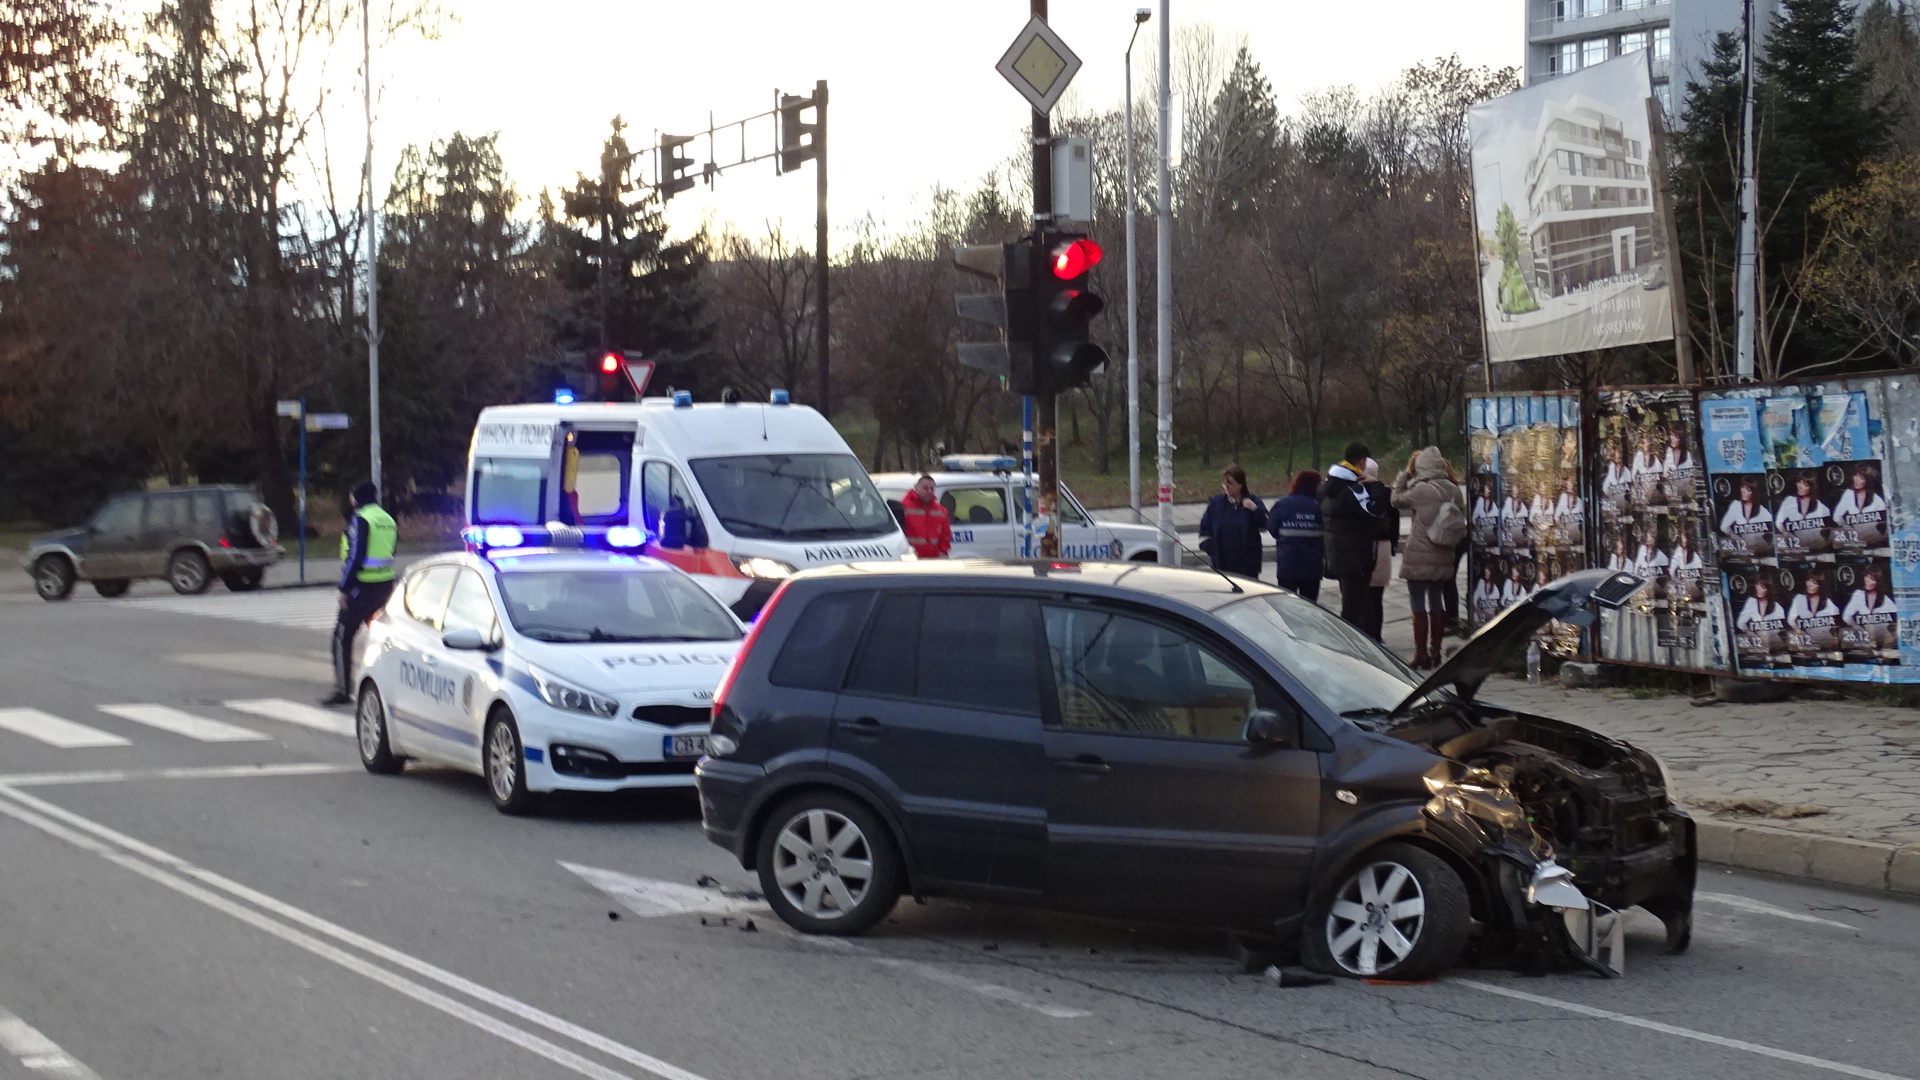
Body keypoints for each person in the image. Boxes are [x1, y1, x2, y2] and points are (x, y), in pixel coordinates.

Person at [323, 481, 398, 707]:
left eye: (352, 496)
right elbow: (391, 551)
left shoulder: (360, 520)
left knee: (342, 636)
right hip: (384, 586)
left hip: (361, 588)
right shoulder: (388, 520)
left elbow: (356, 557)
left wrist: (344, 588)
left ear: (356, 497)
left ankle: (343, 690)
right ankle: (392, 688)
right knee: (383, 638)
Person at [1391, 447, 1460, 670]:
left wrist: (1402, 477)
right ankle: (1436, 652)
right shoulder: (1454, 490)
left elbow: (1396, 500)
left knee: (1418, 603)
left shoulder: (1421, 490)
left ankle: (1420, 654)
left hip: (1420, 554)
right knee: (1436, 601)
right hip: (1443, 553)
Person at [1320, 442, 1387, 632]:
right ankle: (1350, 649)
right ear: (1362, 461)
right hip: (1356, 556)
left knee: (1350, 604)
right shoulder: (1352, 488)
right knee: (1353, 610)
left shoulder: (1328, 487)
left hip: (1338, 554)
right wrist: (1376, 486)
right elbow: (1374, 511)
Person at [1198, 465, 1267, 579]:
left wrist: (1255, 509)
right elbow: (1204, 531)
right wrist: (1214, 552)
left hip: (1248, 566)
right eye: (1225, 483)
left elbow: (1264, 525)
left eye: (1230, 483)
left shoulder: (1253, 502)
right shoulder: (1216, 505)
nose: (1226, 486)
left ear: (1240, 485)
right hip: (1223, 566)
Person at [1267, 470, 1324, 600]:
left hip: (1287, 566)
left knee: (1287, 608)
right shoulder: (1319, 507)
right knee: (1309, 607)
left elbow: (1271, 527)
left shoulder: (1282, 504)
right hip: (1312, 567)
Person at [1360, 459, 1398, 640]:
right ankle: (1377, 635)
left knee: (1362, 595)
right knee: (1377, 596)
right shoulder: (1385, 493)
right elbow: (1395, 521)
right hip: (1383, 546)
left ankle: (1365, 635)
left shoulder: (1355, 492)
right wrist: (1393, 545)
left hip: (1363, 547)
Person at [1774, 474, 1832, 555]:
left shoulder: (1819, 505)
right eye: (1799, 482)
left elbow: (1829, 524)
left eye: (1805, 485)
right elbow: (1779, 523)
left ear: (1811, 488)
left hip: (1816, 547)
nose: (1800, 486)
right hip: (1797, 547)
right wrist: (1789, 536)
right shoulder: (1789, 501)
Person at [900, 474, 952, 559]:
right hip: (912, 560)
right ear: (916, 488)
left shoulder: (941, 511)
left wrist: (941, 553)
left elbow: (945, 537)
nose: (929, 491)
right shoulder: (903, 507)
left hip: (934, 560)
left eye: (932, 489)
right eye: (925, 488)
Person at [1719, 477, 1773, 555]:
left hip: (1760, 550)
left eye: (1748, 490)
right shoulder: (1736, 505)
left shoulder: (1761, 510)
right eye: (1742, 487)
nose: (1743, 491)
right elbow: (1724, 527)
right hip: (1743, 550)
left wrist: (1766, 545)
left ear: (1753, 493)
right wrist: (1738, 539)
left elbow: (1772, 528)